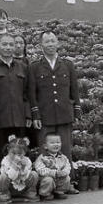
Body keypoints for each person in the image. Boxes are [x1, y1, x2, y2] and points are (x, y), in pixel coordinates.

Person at [28, 30, 81, 165]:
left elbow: (74, 89)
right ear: (41, 45)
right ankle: (48, 183)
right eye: (47, 41)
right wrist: (36, 115)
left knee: (65, 150)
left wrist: (76, 111)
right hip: (45, 116)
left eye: (53, 41)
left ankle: (68, 182)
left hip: (64, 114)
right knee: (45, 152)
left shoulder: (68, 65)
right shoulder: (34, 67)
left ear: (57, 43)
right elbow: (32, 93)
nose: (50, 44)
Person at [0, 33, 31, 172]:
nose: (8, 47)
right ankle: (2, 186)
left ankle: (20, 184)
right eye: (4, 44)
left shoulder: (23, 67)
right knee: (0, 154)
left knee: (20, 153)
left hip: (19, 118)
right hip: (0, 120)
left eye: (11, 44)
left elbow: (27, 93)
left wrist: (28, 115)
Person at [0, 135, 39, 204]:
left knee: (34, 174)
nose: (16, 156)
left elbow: (26, 176)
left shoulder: (27, 160)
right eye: (13, 153)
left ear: (24, 152)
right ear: (8, 150)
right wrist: (14, 166)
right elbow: (11, 176)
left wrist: (23, 167)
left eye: (19, 154)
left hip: (23, 186)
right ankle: (5, 194)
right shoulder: (5, 160)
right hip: (10, 188)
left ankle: (30, 193)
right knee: (2, 177)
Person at [34, 133, 73, 200]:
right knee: (48, 180)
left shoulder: (63, 157)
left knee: (67, 178)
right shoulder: (42, 157)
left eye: (58, 142)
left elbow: (67, 166)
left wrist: (64, 172)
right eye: (52, 143)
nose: (56, 144)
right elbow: (40, 169)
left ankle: (59, 192)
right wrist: (54, 173)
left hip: (59, 177)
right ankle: (44, 194)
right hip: (47, 177)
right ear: (45, 146)